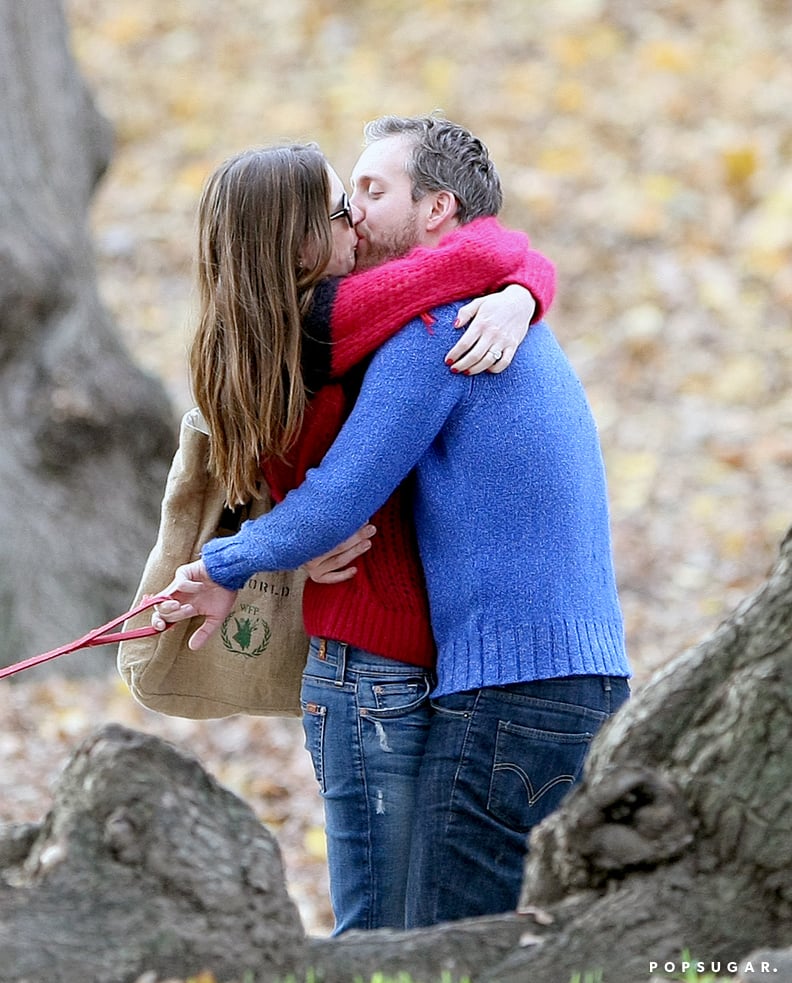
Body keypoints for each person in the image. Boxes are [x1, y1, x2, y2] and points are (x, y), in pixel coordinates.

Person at [156, 113, 631, 929]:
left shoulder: (438, 325)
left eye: (371, 192)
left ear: (437, 209)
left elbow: (339, 496)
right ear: (296, 238)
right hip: (566, 674)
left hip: (505, 686)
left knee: (445, 947)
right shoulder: (392, 321)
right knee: (478, 938)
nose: (360, 216)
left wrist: (228, 565)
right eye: (346, 202)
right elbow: (493, 253)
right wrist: (521, 283)